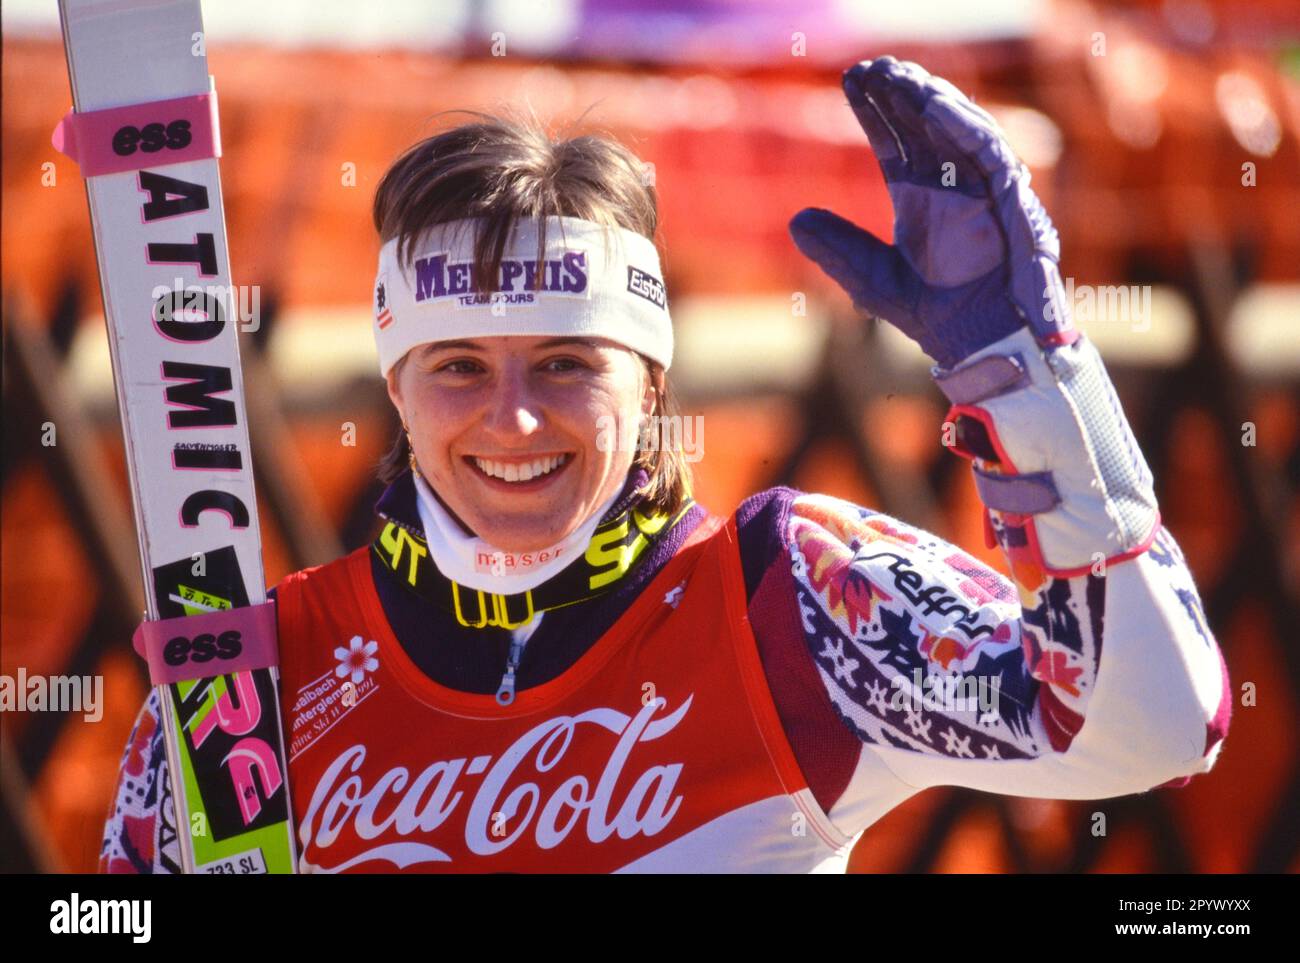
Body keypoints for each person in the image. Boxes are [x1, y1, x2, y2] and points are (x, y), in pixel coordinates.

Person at [100, 57, 1230, 874]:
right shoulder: (249, 684)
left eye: (565, 362)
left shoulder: (791, 603)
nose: (515, 419)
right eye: (455, 367)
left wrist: (1025, 384)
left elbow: (1153, 727)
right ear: (393, 387)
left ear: (650, 384)